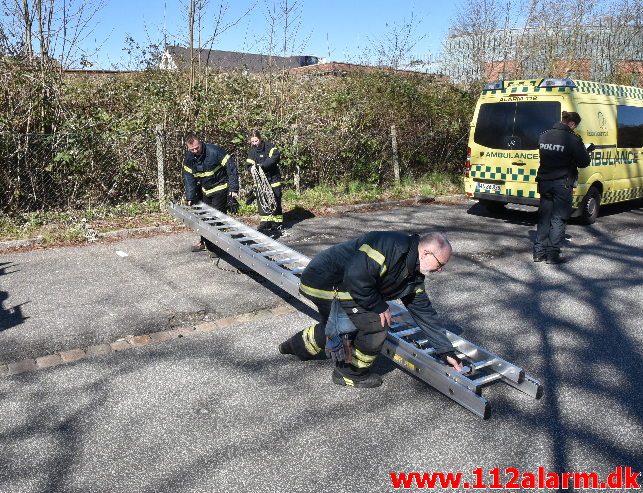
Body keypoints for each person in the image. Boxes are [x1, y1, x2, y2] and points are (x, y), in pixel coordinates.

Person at [279, 231, 463, 388]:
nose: (440, 270)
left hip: (344, 286)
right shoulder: (390, 246)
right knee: (375, 324)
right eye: (440, 264)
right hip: (325, 282)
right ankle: (349, 373)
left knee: (345, 323)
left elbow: (424, 312)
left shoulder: (414, 273)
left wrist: (445, 350)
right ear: (426, 252)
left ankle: (295, 346)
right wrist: (378, 305)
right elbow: (355, 276)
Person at [533, 111, 591, 264]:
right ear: (572, 124)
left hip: (544, 182)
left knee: (544, 218)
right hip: (562, 184)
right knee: (558, 219)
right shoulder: (573, 139)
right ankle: (552, 255)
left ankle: (538, 253)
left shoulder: (544, 135)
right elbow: (584, 162)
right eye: (575, 126)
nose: (575, 129)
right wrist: (585, 151)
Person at [182, 132, 239, 252]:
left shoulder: (214, 151)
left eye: (197, 148)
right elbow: (189, 178)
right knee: (204, 217)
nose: (195, 151)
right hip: (205, 190)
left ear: (201, 142)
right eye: (192, 149)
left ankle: (216, 247)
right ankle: (204, 242)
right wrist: (190, 197)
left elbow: (231, 168)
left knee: (216, 218)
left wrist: (233, 189)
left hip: (220, 188)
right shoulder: (189, 158)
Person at [246, 130, 283, 234]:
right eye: (252, 142)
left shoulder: (270, 147)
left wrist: (261, 166)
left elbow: (275, 158)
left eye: (256, 141)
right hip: (261, 180)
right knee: (263, 201)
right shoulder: (252, 152)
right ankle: (266, 221)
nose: (254, 143)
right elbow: (248, 165)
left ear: (260, 139)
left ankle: (277, 222)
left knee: (275, 199)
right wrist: (252, 169)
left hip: (273, 178)